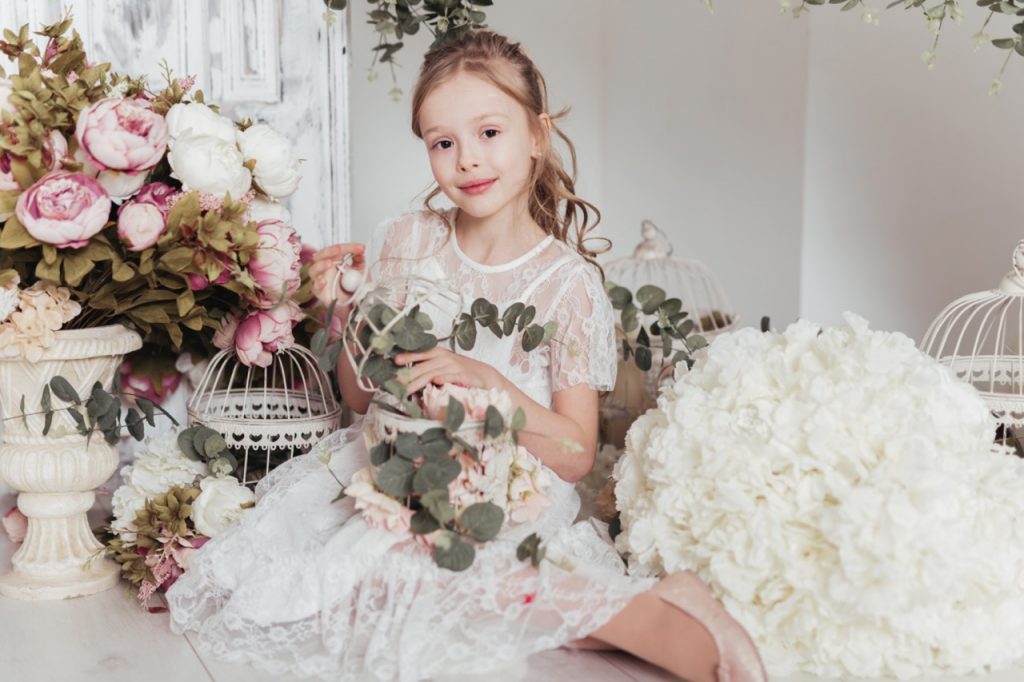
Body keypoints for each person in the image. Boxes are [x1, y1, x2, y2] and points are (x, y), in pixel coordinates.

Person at [167, 30, 766, 682]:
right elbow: (360, 398)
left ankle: (657, 619)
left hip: (511, 489)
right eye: (443, 143)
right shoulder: (408, 240)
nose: (467, 161)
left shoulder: (567, 284)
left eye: (489, 133)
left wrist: (488, 383)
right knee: (344, 591)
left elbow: (575, 453)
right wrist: (350, 311)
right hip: (399, 469)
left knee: (431, 585)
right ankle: (643, 608)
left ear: (536, 134)